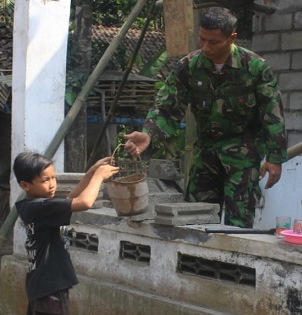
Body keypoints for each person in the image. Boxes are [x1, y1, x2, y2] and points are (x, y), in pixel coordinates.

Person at [123, 7, 287, 228]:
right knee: (195, 219)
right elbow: (167, 106)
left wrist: (275, 157)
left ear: (232, 38)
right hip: (205, 153)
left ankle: (231, 263)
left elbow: (272, 113)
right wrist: (149, 133)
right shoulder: (189, 66)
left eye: (214, 42)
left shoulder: (255, 67)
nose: (206, 47)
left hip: (243, 155)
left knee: (237, 224)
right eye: (202, 39)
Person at [6, 152, 118, 315]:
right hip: (49, 285)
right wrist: (99, 176)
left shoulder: (33, 206)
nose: (52, 184)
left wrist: (90, 172)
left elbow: (69, 198)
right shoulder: (42, 208)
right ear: (26, 185)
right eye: (46, 180)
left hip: (45, 283)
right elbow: (84, 203)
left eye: (54, 177)